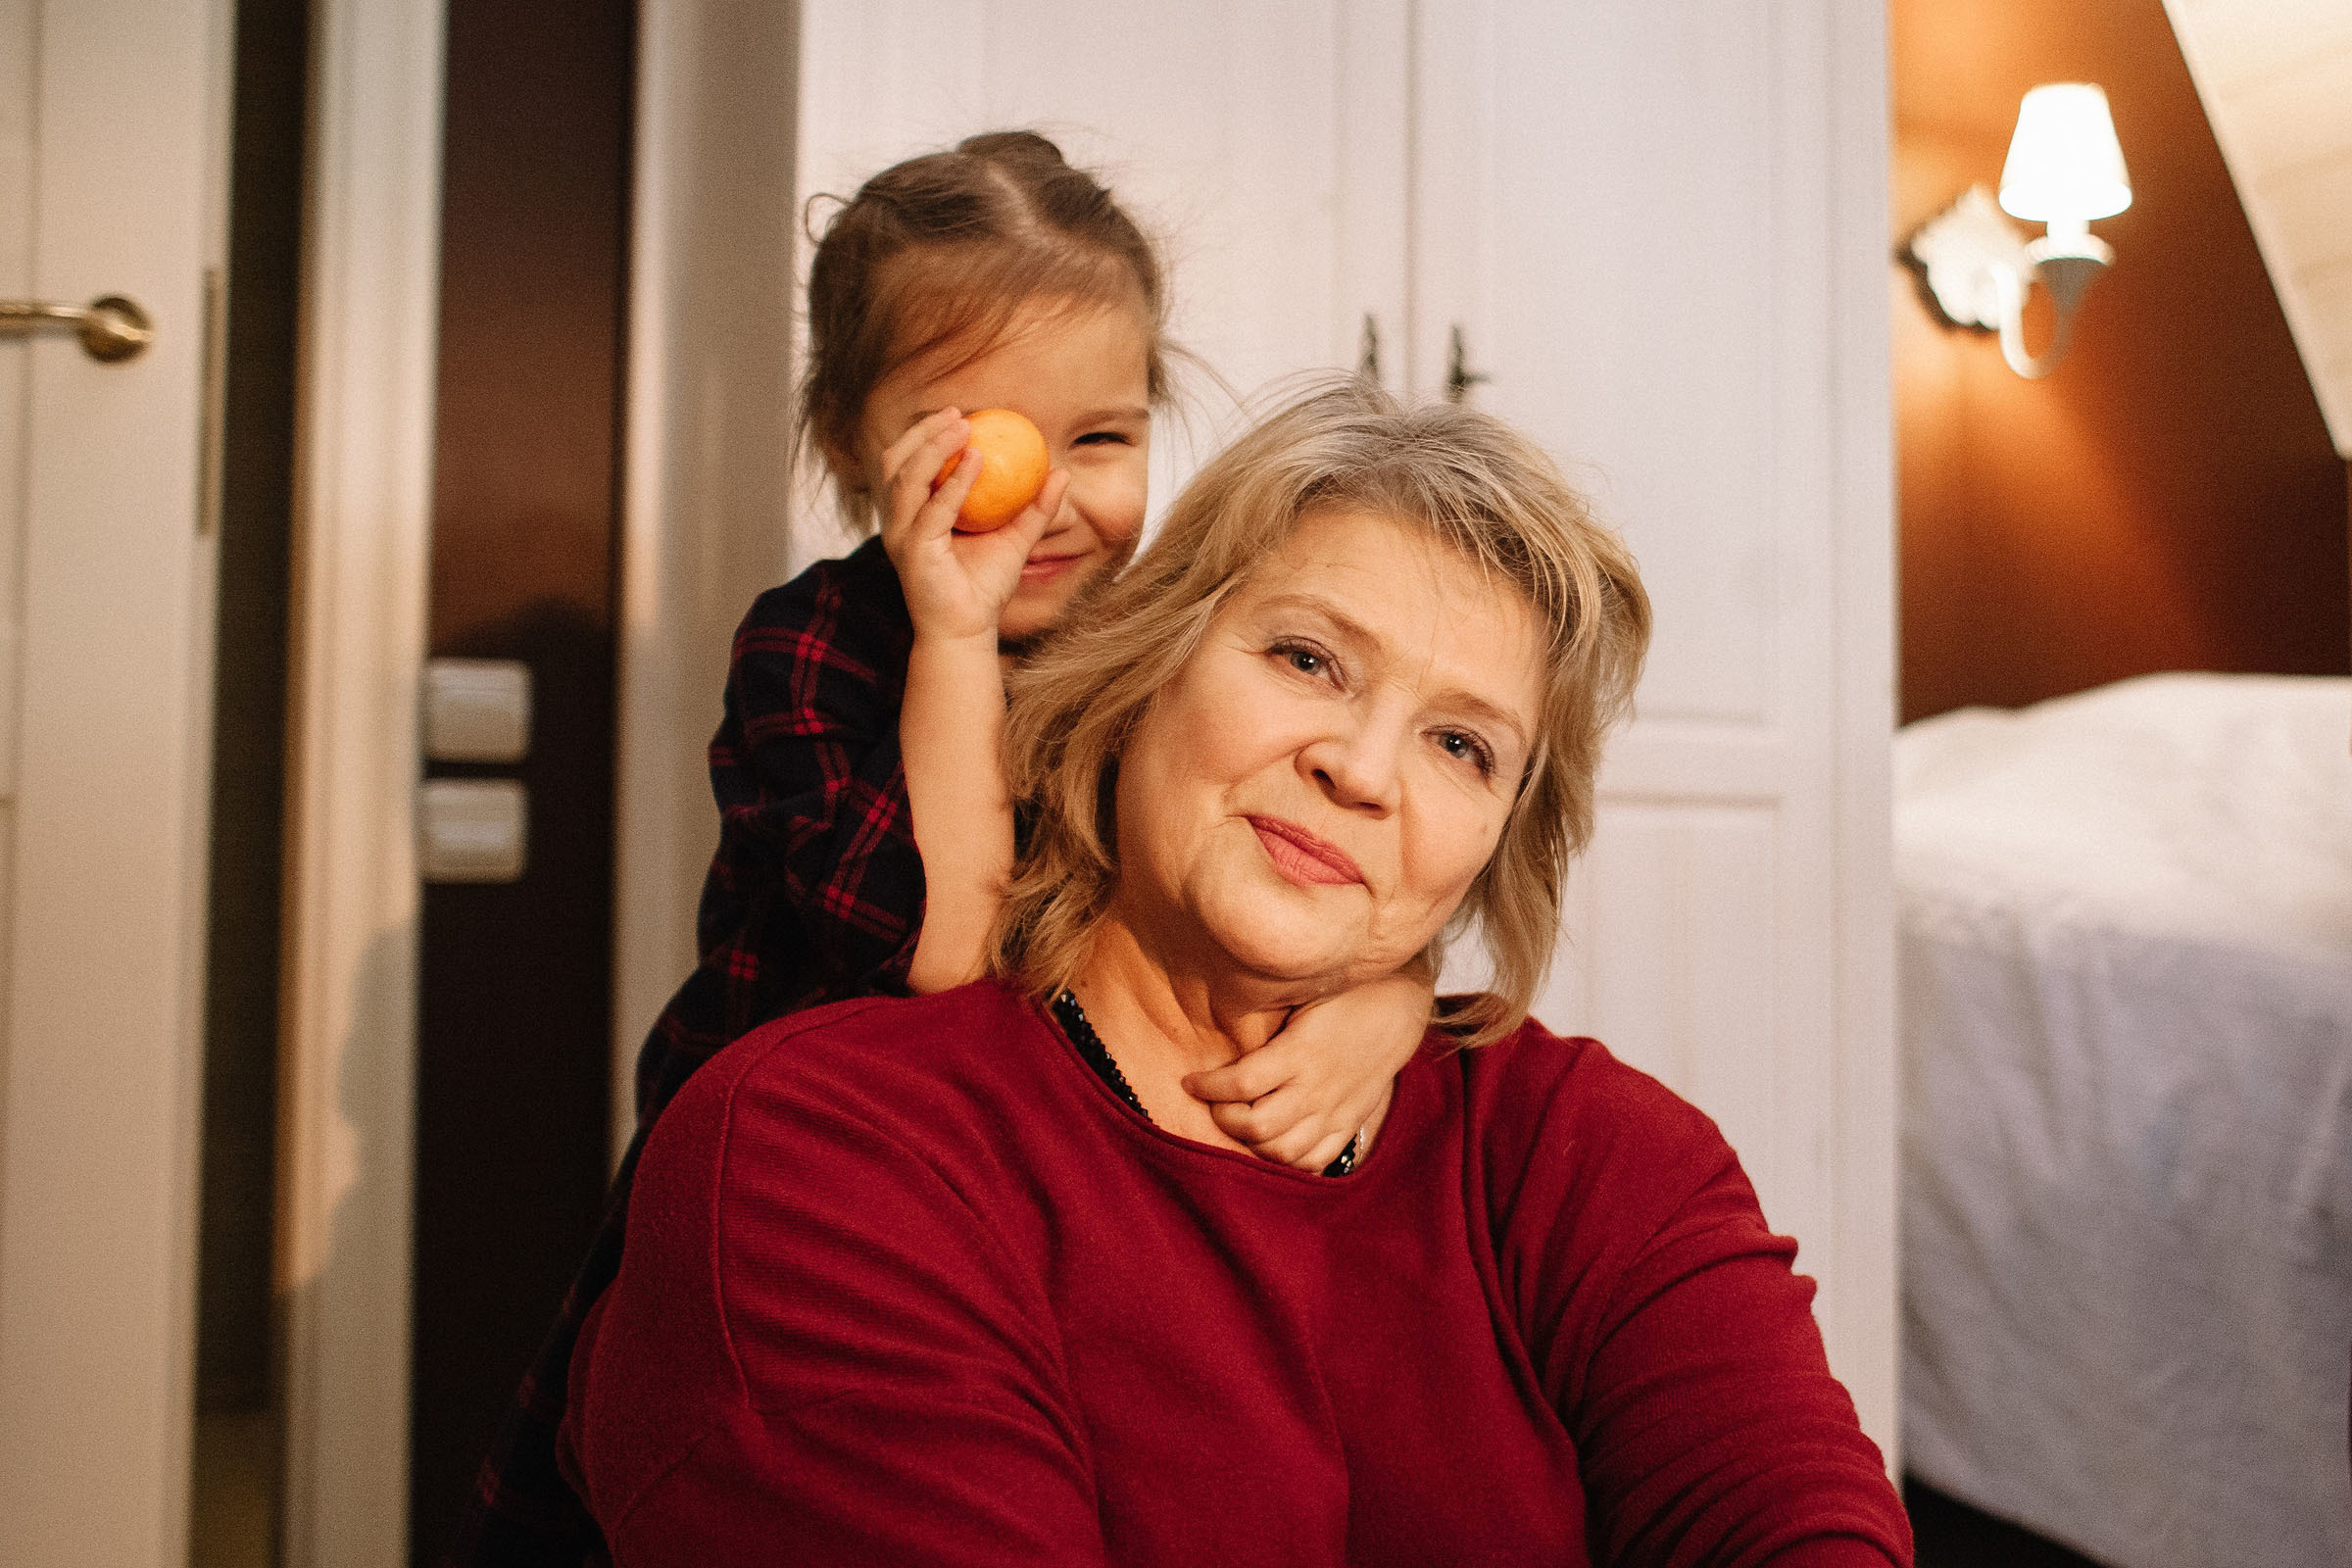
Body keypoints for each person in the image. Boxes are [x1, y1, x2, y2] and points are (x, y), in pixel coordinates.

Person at [560, 381, 1915, 1565]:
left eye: (1462, 747)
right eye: (1309, 658)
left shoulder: (1597, 1160)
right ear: (1143, 669)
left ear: (1500, 841)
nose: (1363, 769)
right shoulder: (825, 1159)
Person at [446, 135, 1431, 1563]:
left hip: (1045, 1175)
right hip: (813, 1190)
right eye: (975, 443)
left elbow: (1311, 887)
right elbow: (951, 954)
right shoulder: (808, 651)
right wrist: (957, 638)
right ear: (854, 441)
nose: (1044, 501)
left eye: (1099, 441)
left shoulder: (1166, 650)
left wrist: (1382, 1009)